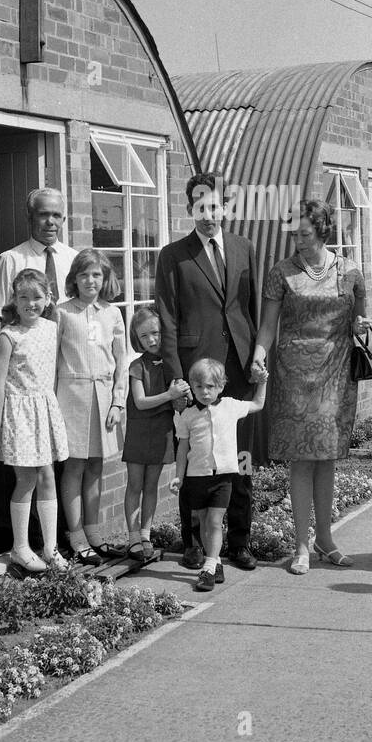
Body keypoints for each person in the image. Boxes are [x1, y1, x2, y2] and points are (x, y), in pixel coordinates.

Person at [251, 199, 368, 574]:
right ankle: (301, 545)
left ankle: (326, 540)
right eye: (294, 234)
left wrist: (361, 325)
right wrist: (258, 354)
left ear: (321, 230)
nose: (298, 240)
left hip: (335, 373)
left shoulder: (350, 272)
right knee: (301, 460)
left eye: (305, 233)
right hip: (294, 376)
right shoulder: (280, 272)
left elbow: (359, 321)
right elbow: (268, 325)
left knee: (326, 458)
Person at [155, 172, 263, 573]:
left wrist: (256, 358)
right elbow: (167, 319)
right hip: (196, 376)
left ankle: (240, 542)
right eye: (200, 208)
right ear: (189, 210)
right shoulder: (174, 255)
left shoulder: (244, 248)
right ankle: (194, 544)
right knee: (195, 462)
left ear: (225, 207)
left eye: (215, 207)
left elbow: (249, 311)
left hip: (236, 369)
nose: (209, 215)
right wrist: (177, 379)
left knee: (240, 459)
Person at [0, 269, 70, 574]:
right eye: (24, 297)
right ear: (14, 301)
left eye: (37, 297)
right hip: (19, 414)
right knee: (27, 479)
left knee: (48, 478)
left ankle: (50, 547)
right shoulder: (8, 335)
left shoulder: (51, 327)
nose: (31, 303)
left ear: (47, 299)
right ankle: (19, 547)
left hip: (43, 409)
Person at [55, 249, 127, 565]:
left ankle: (94, 532)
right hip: (72, 396)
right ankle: (75, 536)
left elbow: (122, 360)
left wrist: (118, 401)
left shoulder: (111, 313)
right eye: (84, 275)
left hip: (104, 395)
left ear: (105, 278)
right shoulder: (62, 313)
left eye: (96, 275)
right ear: (74, 279)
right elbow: (51, 358)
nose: (90, 281)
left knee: (96, 465)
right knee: (75, 465)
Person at [172, 357, 267, 593]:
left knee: (215, 521)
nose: (205, 392)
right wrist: (178, 476)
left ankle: (209, 568)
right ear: (192, 387)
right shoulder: (187, 415)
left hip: (223, 477)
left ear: (221, 387)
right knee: (204, 523)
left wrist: (262, 382)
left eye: (210, 387)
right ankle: (213, 561)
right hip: (196, 477)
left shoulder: (231, 406)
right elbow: (183, 448)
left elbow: (258, 404)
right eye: (199, 387)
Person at [122, 306, 189, 560]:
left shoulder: (172, 364)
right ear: (137, 339)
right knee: (135, 485)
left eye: (155, 333)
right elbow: (140, 401)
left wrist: (180, 395)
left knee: (151, 486)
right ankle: (132, 538)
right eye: (144, 336)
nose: (151, 340)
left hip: (162, 431)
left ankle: (146, 533)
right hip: (140, 431)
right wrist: (169, 395)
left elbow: (180, 401)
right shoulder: (137, 366)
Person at [0, 187, 75, 339]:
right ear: (30, 217)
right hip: (26, 352)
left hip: (68, 350)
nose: (50, 222)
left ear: (63, 220)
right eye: (43, 214)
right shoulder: (10, 260)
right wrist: (4, 356)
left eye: (56, 216)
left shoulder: (74, 259)